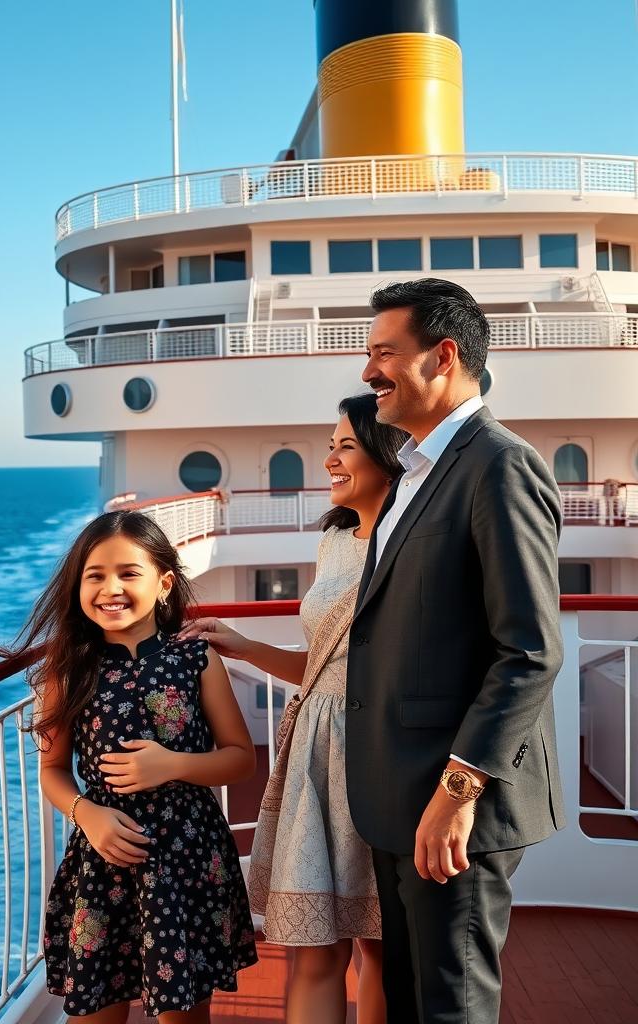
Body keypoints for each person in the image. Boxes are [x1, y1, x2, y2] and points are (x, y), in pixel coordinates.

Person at [348, 278, 564, 1023]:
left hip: (451, 804)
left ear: (443, 357)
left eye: (383, 353)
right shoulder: (417, 469)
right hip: (400, 798)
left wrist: (458, 793)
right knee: (412, 1002)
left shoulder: (499, 465)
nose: (368, 371)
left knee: (452, 1007)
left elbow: (530, 650)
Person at [179, 393, 408, 1024]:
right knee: (313, 951)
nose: (330, 459)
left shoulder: (412, 545)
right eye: (330, 445)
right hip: (314, 749)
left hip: (378, 751)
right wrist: (242, 644)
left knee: (383, 949)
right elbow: (324, 665)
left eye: (347, 446)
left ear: (390, 456)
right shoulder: (334, 542)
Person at [0, 510, 258, 1022]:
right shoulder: (68, 670)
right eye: (95, 576)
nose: (109, 588)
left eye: (127, 573)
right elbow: (52, 771)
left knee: (183, 1013)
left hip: (186, 857)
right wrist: (85, 813)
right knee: (97, 1009)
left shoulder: (196, 658)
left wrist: (172, 764)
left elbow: (240, 760)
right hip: (105, 855)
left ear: (164, 583)